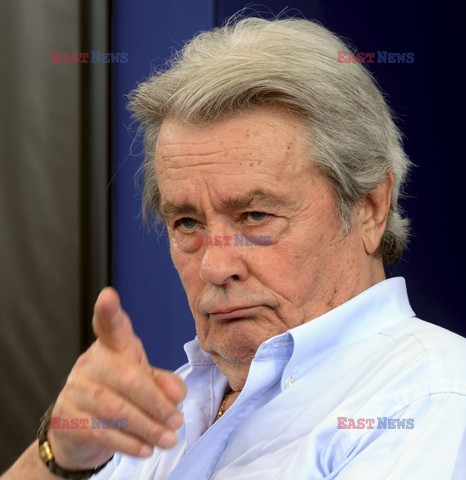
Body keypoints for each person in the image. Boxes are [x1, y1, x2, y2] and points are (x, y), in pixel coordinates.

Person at [4, 16, 466, 480]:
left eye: (255, 216)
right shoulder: (165, 403)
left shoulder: (430, 398)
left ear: (369, 207)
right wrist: (59, 454)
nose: (214, 264)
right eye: (187, 222)